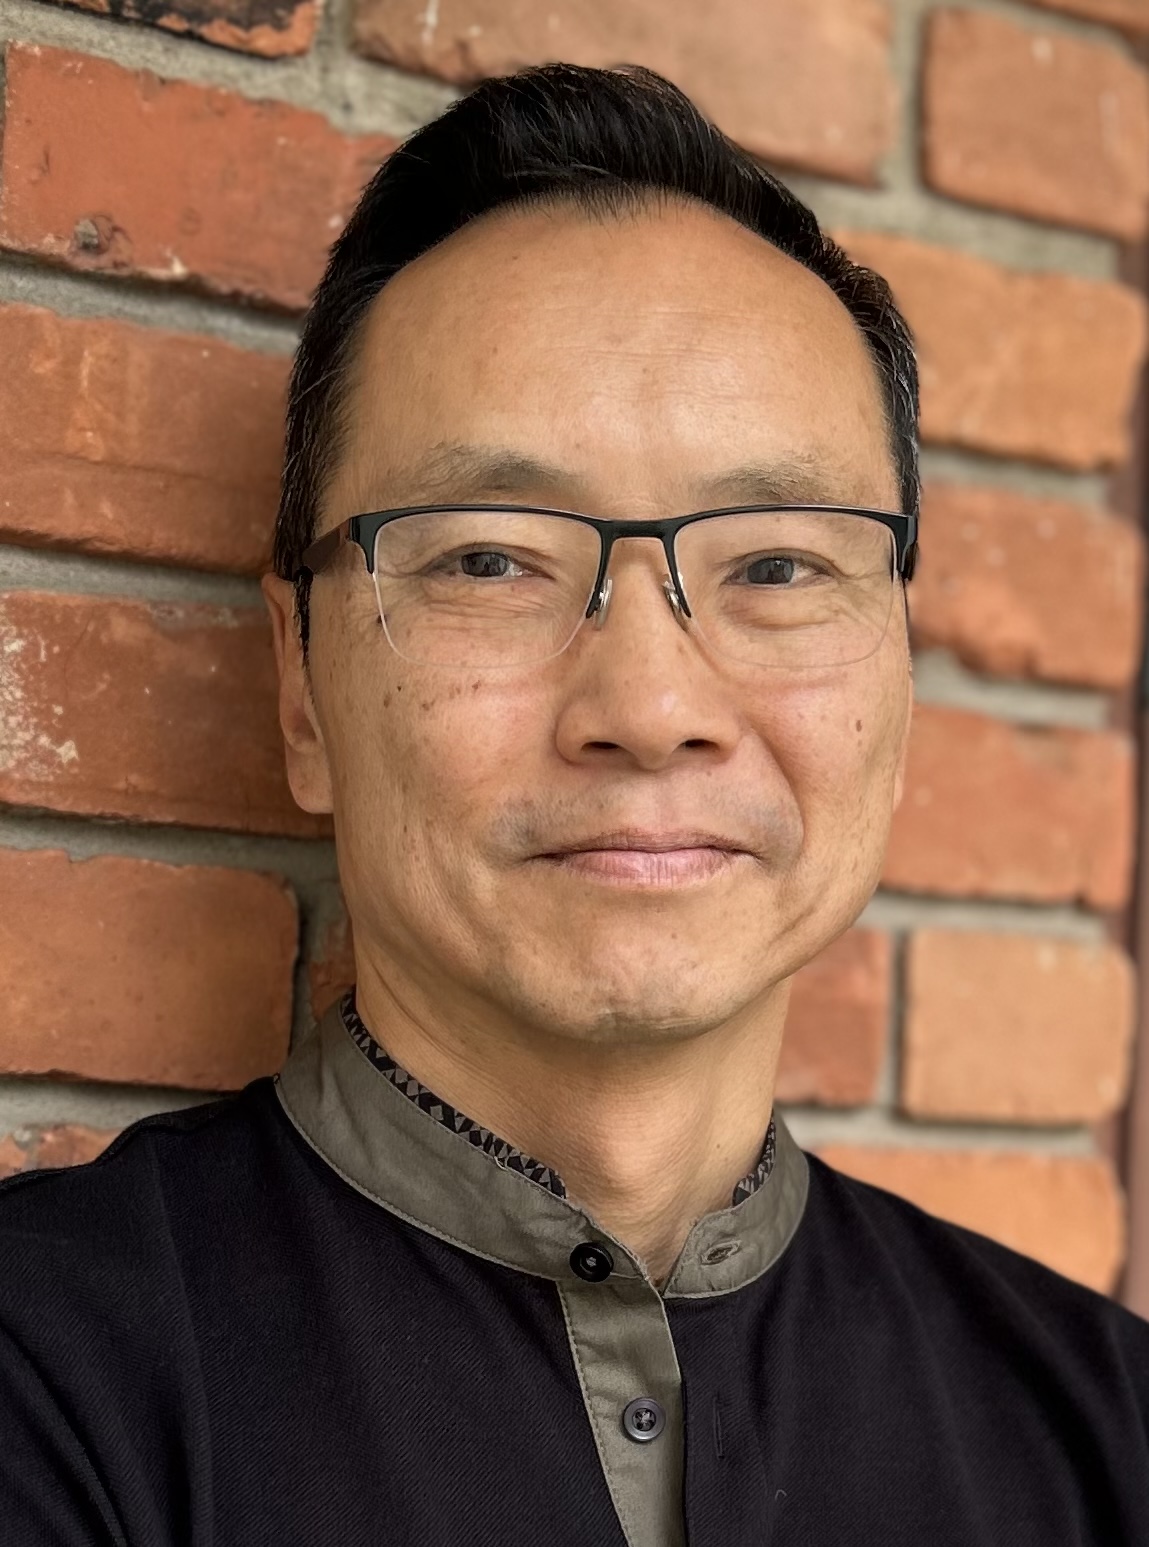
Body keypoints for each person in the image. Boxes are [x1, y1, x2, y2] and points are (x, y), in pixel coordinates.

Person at [1, 60, 1146, 1547]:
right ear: (300, 687)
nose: (651, 709)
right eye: (488, 559)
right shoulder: (50, 1384)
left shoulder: (1108, 1435)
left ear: (900, 670)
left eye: (778, 566)